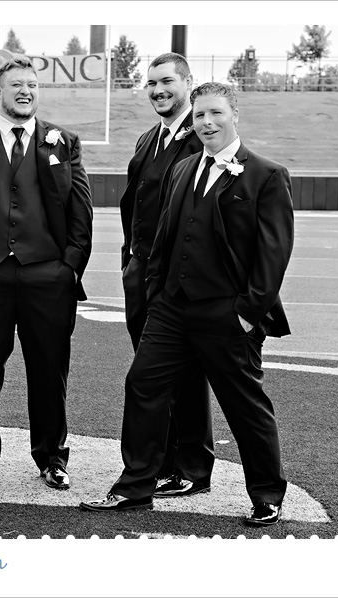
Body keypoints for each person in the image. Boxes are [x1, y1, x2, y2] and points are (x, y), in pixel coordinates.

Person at [80, 82, 294, 527]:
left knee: (244, 404)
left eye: (215, 113)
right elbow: (166, 238)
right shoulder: (183, 169)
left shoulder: (266, 175)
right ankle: (135, 488)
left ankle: (267, 494)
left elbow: (273, 255)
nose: (207, 122)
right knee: (143, 386)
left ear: (234, 114)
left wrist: (244, 313)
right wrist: (158, 292)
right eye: (199, 115)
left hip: (227, 315)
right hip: (172, 310)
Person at [0, 57, 93, 490]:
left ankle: (52, 458)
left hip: (47, 276)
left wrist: (69, 268)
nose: (25, 91)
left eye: (31, 84)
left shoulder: (64, 142)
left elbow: (81, 211)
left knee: (49, 372)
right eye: (16, 85)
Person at [119, 53, 214, 499]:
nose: (159, 90)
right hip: (141, 273)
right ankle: (167, 462)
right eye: (152, 83)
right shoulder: (147, 139)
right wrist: (129, 259)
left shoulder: (201, 142)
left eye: (168, 82)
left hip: (176, 282)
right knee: (156, 376)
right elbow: (132, 205)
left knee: (183, 376)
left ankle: (190, 466)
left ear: (188, 83)